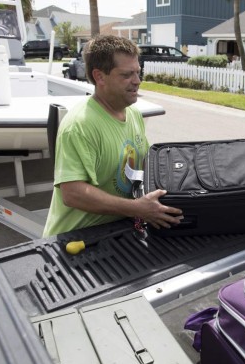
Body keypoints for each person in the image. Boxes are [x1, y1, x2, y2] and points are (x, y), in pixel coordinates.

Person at [43, 35, 182, 237]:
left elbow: (143, 166)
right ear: (99, 76)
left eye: (138, 73)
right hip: (75, 238)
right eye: (126, 75)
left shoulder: (133, 114)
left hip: (117, 230)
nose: (137, 81)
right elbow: (72, 194)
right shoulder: (79, 125)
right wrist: (137, 208)